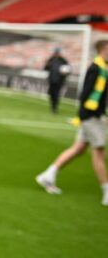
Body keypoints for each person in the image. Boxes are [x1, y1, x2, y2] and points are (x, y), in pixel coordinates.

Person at [36, 40, 108, 206]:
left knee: (79, 149)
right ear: (103, 50)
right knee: (99, 152)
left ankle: (48, 174)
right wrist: (95, 115)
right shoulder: (95, 69)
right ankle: (106, 190)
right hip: (90, 117)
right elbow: (86, 94)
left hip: (91, 115)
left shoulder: (102, 68)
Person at [44, 47, 70, 114]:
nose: (56, 54)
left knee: (56, 94)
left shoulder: (64, 61)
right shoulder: (51, 59)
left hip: (59, 81)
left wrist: (64, 73)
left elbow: (68, 71)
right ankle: (52, 107)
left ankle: (54, 108)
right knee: (51, 94)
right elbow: (45, 68)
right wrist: (47, 65)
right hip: (51, 80)